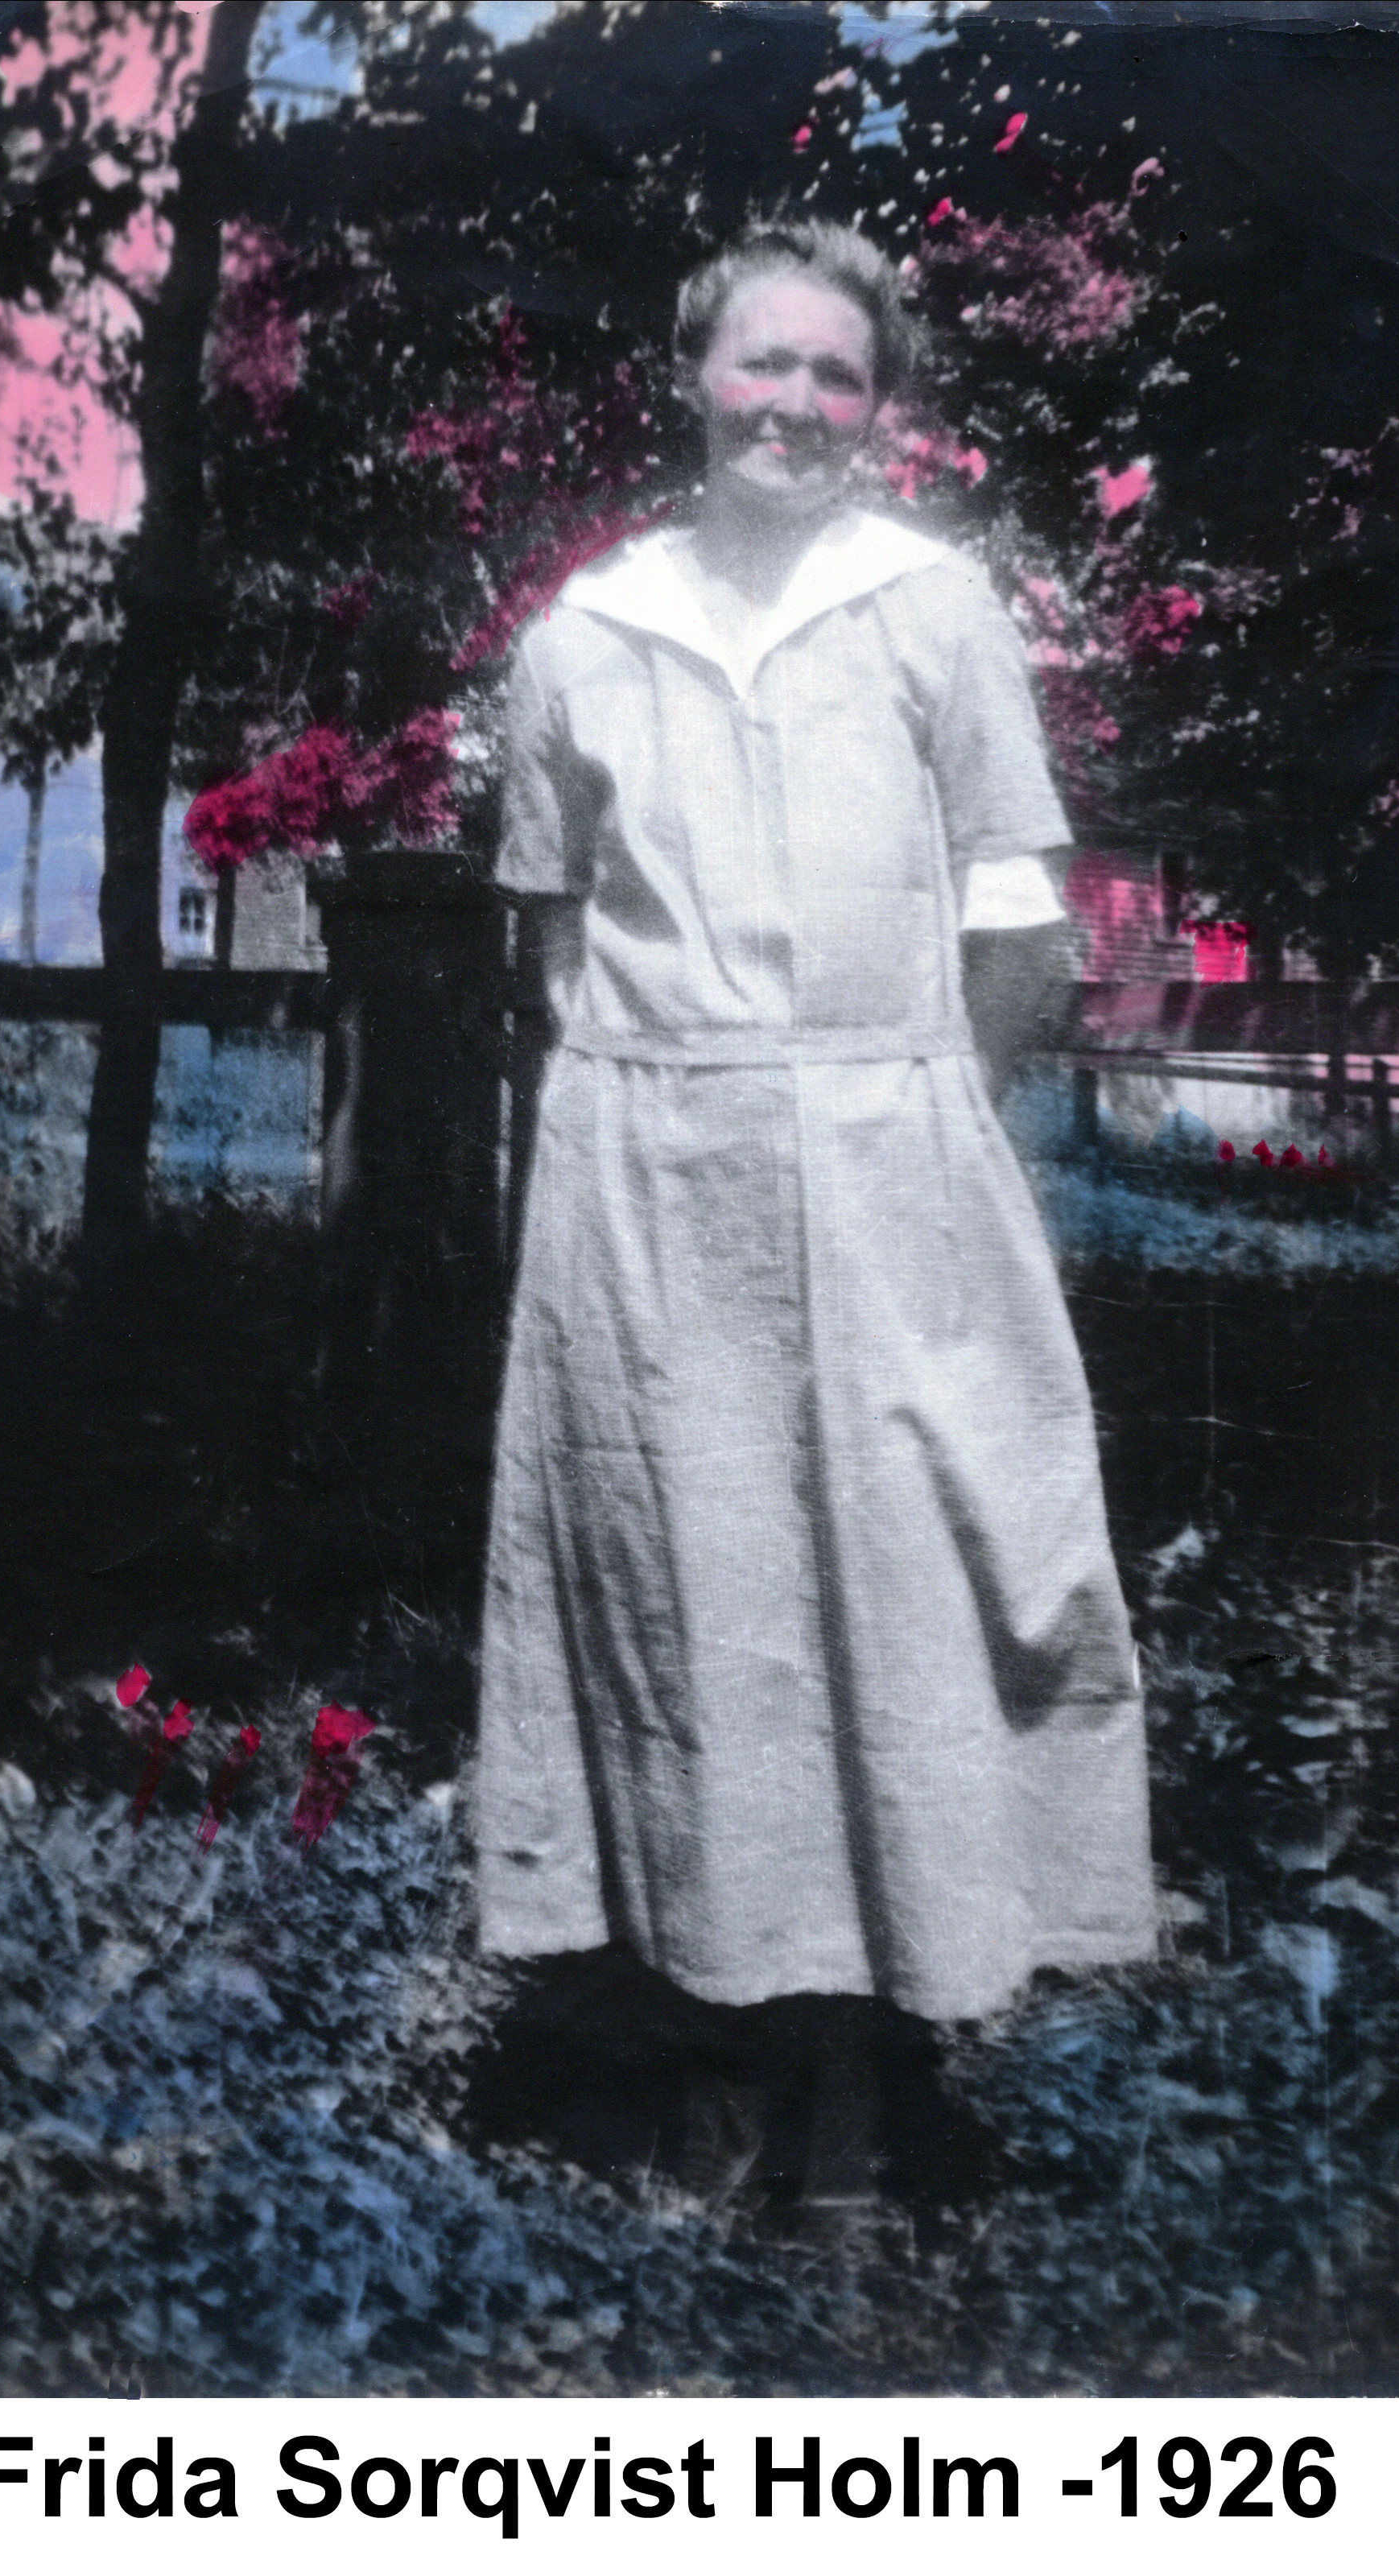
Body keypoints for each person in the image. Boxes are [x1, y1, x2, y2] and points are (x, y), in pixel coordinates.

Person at [474, 218, 1155, 2226]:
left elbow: (1015, 918)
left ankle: (887, 2069)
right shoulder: (585, 634)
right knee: (684, 1593)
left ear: (881, 410)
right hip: (646, 1177)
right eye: (761, 366)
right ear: (694, 374)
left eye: (837, 378)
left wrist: (920, 1122)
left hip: (892, 1151)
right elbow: (547, 934)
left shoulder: (933, 608)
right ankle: (717, 2056)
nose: (793, 406)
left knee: (916, 1574)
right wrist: (674, 1102)